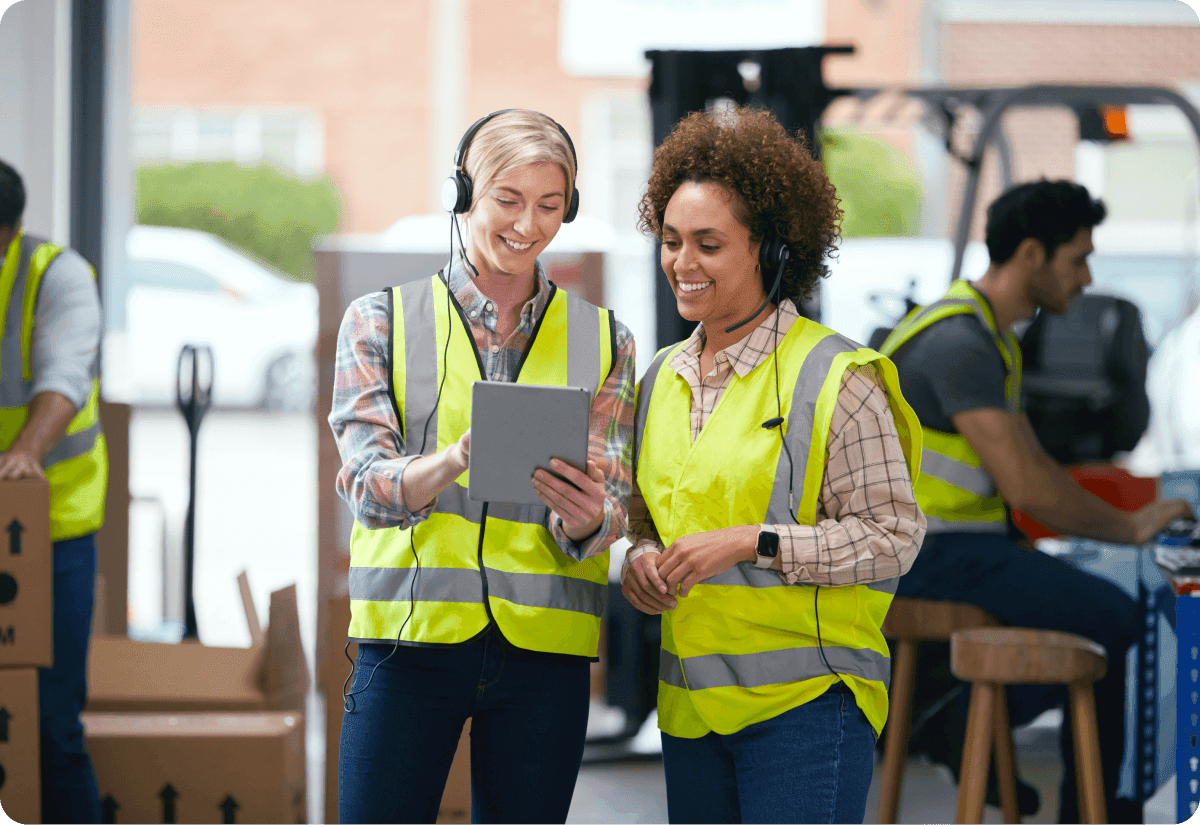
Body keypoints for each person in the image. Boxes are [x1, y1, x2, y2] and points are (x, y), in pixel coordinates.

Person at [621, 105, 926, 825]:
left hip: (807, 712)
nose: (682, 263)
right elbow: (642, 516)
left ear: (770, 250)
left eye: (708, 243)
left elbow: (895, 536)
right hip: (691, 713)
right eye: (669, 241)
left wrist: (755, 541)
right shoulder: (659, 377)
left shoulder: (837, 377)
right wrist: (636, 559)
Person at [330, 109, 636, 824]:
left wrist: (592, 515)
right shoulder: (379, 321)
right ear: (463, 193)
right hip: (409, 644)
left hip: (544, 658)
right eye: (508, 199)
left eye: (550, 205)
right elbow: (366, 484)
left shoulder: (603, 338)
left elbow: (617, 495)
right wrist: (449, 463)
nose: (528, 224)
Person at [879, 179, 1193, 824]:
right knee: (1118, 618)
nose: (1085, 277)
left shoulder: (984, 335)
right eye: (1076, 258)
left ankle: (962, 718)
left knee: (1093, 600)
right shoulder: (960, 346)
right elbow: (1026, 486)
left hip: (951, 546)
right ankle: (1093, 807)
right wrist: (1131, 527)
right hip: (925, 554)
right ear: (1030, 254)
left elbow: (1034, 470)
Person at [0, 159, 107, 824]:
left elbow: (64, 376)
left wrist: (23, 455)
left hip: (51, 527)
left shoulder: (55, 276)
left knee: (49, 718)